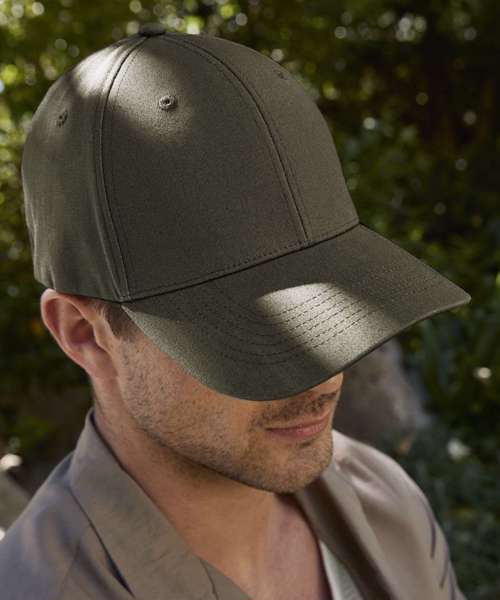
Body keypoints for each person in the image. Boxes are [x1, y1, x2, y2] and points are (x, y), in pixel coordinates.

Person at [0, 21, 469, 600]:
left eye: (331, 316)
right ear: (85, 335)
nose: (324, 379)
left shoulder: (384, 501)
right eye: (251, 338)